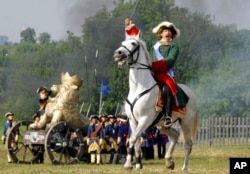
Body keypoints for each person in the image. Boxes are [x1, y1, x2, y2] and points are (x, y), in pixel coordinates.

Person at [124, 18, 188, 128]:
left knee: (167, 88)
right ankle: (130, 111)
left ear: (172, 34)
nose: (167, 32)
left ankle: (167, 116)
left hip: (165, 74)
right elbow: (140, 38)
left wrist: (153, 65)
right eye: (165, 31)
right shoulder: (153, 46)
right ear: (160, 33)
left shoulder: (174, 48)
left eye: (169, 31)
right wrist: (130, 26)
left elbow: (170, 60)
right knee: (136, 85)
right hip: (151, 73)